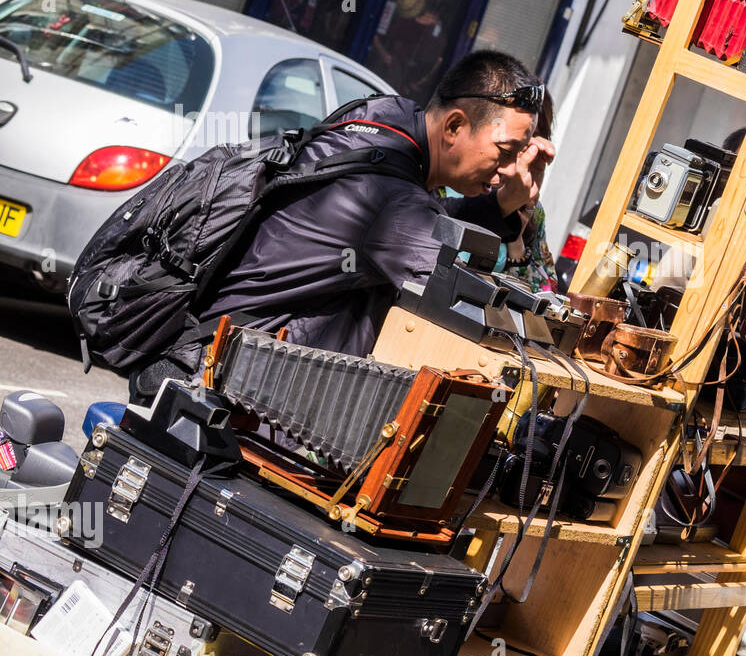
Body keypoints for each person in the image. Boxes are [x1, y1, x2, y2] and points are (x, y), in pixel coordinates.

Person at [130, 50, 553, 400]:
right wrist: (555, 328)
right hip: (208, 387)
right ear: (455, 126)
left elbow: (429, 228)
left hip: (210, 364)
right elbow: (458, 291)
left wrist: (503, 204)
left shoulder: (384, 123)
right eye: (505, 151)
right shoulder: (388, 197)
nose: (508, 169)